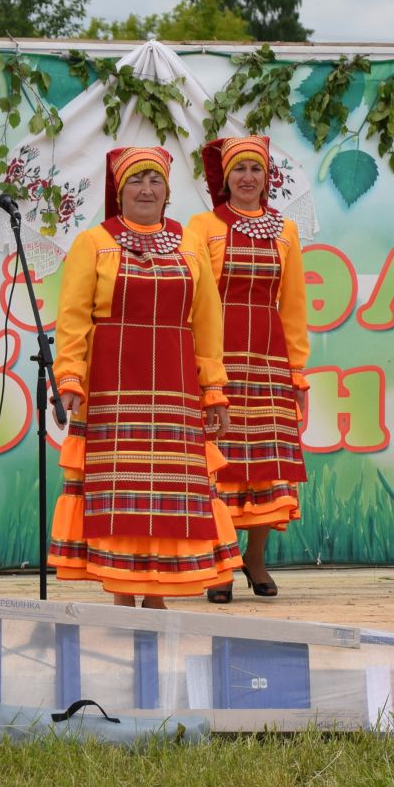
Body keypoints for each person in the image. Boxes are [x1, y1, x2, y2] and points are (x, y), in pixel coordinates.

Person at [51, 146, 239, 607]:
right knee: (122, 486)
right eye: (136, 180)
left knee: (170, 489)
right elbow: (73, 318)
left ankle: (158, 591)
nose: (146, 189)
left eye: (155, 180)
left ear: (168, 191)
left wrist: (213, 387)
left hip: (175, 382)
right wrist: (70, 377)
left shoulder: (188, 242)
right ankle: (121, 589)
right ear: (120, 189)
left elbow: (208, 319)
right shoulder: (94, 242)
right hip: (114, 381)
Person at [184, 136, 308, 602]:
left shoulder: (285, 230)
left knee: (265, 463)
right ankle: (220, 561)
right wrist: (200, 364)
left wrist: (297, 372)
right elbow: (195, 295)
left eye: (256, 169)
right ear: (225, 178)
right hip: (220, 356)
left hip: (269, 357)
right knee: (220, 460)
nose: (248, 177)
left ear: (267, 176)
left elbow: (293, 305)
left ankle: (255, 558)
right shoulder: (203, 225)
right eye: (239, 169)